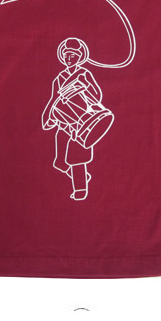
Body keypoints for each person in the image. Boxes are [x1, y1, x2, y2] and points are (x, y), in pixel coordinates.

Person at [42, 37, 105, 200]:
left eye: (73, 55)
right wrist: (48, 117)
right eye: (66, 55)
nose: (69, 58)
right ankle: (82, 177)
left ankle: (80, 189)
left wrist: (85, 85)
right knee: (59, 162)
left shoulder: (84, 74)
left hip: (84, 122)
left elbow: (97, 96)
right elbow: (54, 100)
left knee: (78, 158)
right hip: (64, 125)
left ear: (79, 57)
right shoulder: (59, 79)